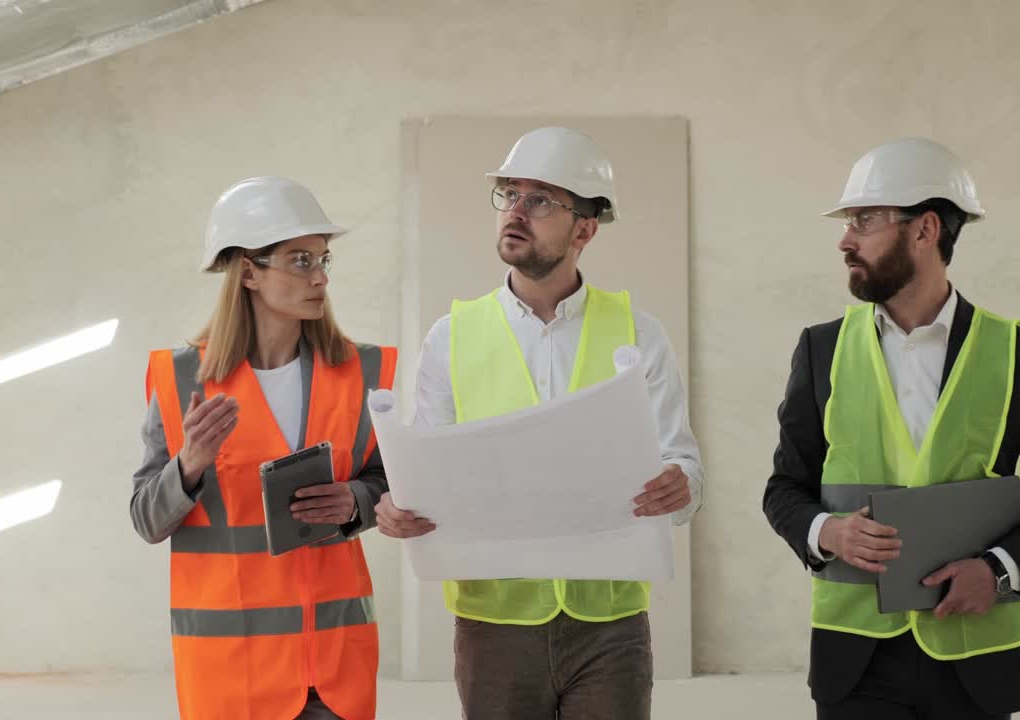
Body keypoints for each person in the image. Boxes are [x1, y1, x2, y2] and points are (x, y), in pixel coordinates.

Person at [762, 138, 1020, 719]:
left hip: (978, 661)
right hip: (856, 662)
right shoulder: (822, 350)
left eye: (865, 220)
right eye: (849, 221)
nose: (845, 239)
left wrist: (1001, 572)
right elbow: (783, 491)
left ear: (926, 230)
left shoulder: (1016, 353)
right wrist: (828, 532)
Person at [376, 126, 704, 719]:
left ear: (584, 228)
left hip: (610, 626)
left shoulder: (639, 333)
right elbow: (426, 479)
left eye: (541, 200)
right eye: (509, 194)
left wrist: (679, 485)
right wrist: (401, 509)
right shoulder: (451, 337)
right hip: (494, 624)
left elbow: (682, 470)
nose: (516, 212)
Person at [130, 176, 396, 719]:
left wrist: (355, 502)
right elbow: (146, 520)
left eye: (324, 260)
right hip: (232, 673)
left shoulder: (358, 371)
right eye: (300, 260)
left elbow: (388, 483)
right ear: (248, 271)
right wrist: (189, 465)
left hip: (333, 669)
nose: (320, 277)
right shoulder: (182, 380)